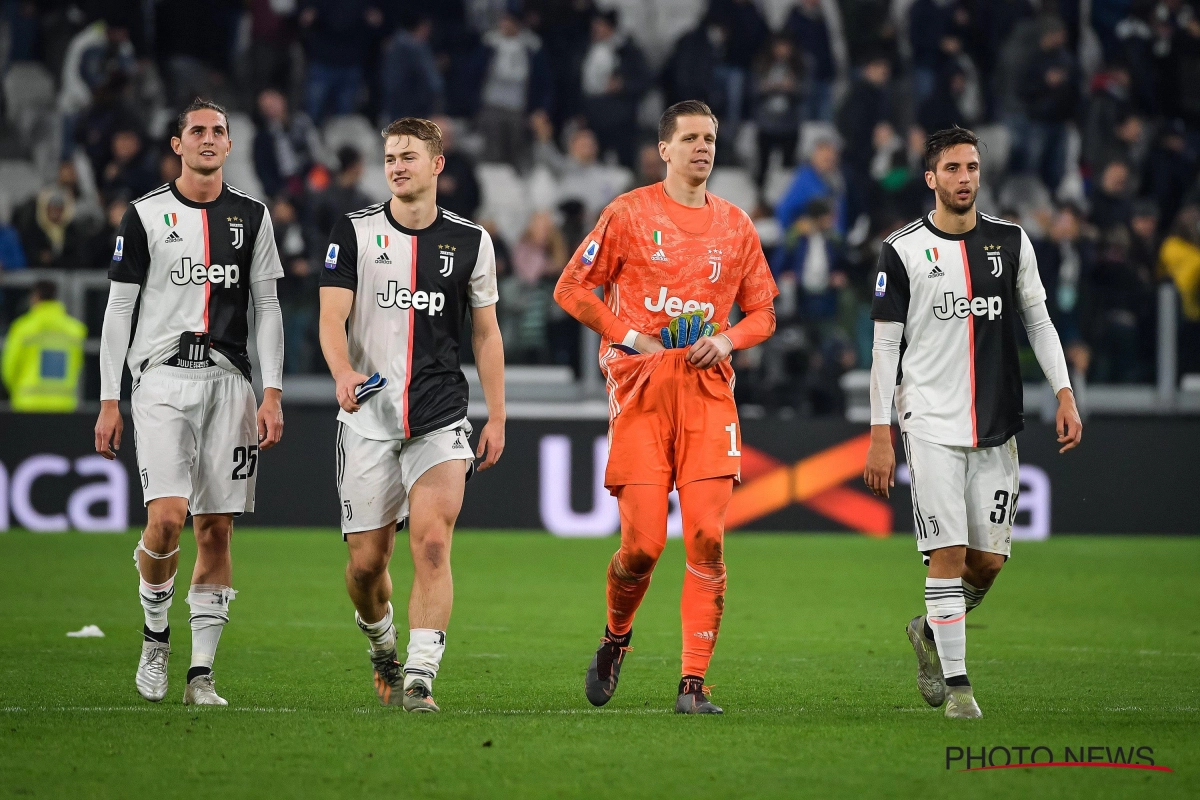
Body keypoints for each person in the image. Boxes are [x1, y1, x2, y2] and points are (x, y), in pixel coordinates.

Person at [553, 100, 779, 714]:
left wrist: (727, 339)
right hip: (642, 393)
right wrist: (631, 336)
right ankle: (616, 638)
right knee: (643, 548)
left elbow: (763, 312)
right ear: (665, 149)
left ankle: (693, 683)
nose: (704, 148)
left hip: (708, 394)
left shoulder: (736, 225)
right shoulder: (628, 214)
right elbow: (571, 287)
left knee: (707, 535)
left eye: (710, 138)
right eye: (691, 139)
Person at [863, 126, 1082, 719]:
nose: (965, 178)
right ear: (930, 178)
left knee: (987, 563)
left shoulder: (1011, 243)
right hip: (928, 422)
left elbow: (1038, 322)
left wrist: (1064, 393)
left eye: (972, 168)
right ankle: (959, 688)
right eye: (953, 169)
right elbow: (886, 347)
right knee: (949, 552)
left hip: (996, 424)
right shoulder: (902, 250)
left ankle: (931, 631)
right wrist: (881, 432)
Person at [94, 99, 287, 707]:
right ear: (177, 144)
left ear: (230, 145)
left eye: (218, 131)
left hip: (230, 383)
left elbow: (268, 308)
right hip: (161, 382)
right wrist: (109, 400)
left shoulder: (252, 218)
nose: (208, 139)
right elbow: (118, 310)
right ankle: (156, 636)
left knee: (217, 531)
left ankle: (200, 674)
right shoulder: (144, 216)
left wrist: (272, 391)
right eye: (196, 131)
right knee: (167, 518)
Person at [318, 117, 506, 713]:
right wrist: (343, 373)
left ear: (437, 165)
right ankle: (381, 643)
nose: (397, 165)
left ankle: (421, 675)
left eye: (408, 156)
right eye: (390, 157)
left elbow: (486, 334)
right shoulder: (353, 233)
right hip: (369, 421)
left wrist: (497, 414)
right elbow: (330, 320)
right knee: (366, 565)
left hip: (440, 417)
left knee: (431, 544)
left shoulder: (471, 242)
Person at [1, 280, 86, 411]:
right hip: (63, 404)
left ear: (35, 297)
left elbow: (9, 367)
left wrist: (17, 390)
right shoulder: (75, 330)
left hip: (27, 404)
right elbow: (77, 364)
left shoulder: (22, 328)